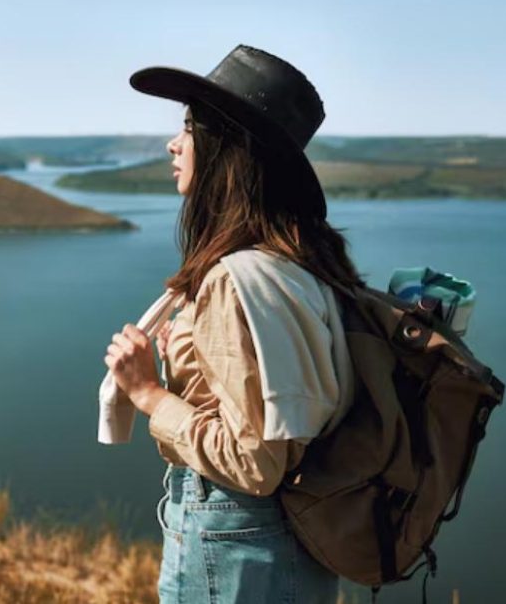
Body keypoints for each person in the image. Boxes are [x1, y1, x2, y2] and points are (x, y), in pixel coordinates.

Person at [103, 44, 366, 604]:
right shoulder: (298, 262)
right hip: (291, 541)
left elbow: (254, 462)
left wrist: (147, 392)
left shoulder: (234, 278)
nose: (173, 144)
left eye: (189, 129)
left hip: (238, 540)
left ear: (228, 149)